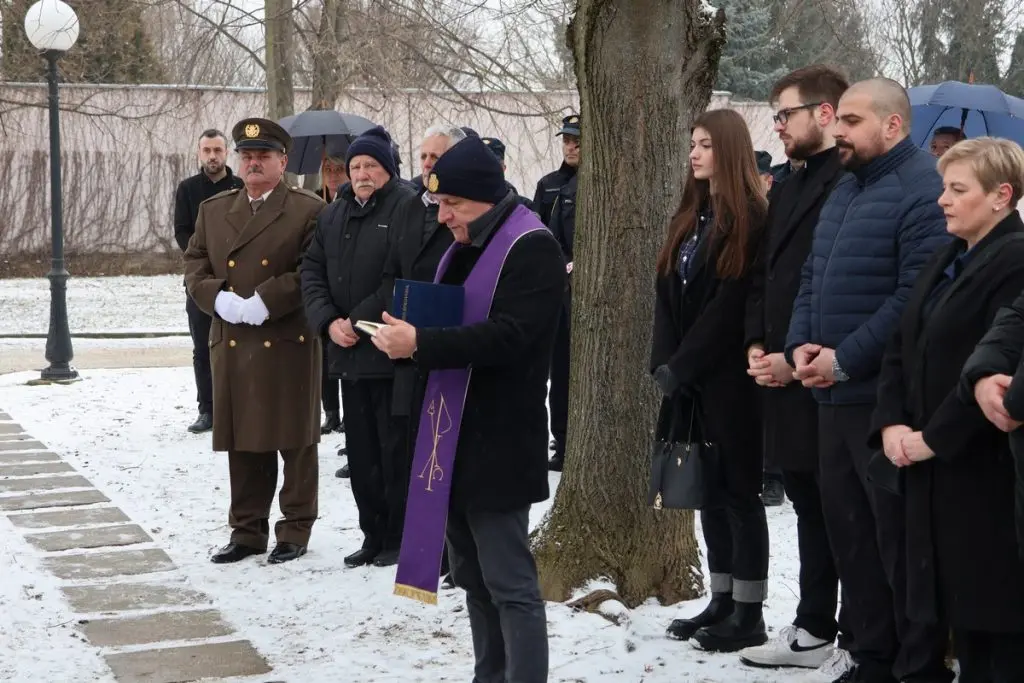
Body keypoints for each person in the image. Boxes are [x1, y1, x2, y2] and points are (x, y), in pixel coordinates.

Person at [371, 135, 564, 683]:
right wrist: (406, 332)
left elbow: (512, 337)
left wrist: (422, 344)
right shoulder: (463, 243)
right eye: (438, 204)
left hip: (498, 439)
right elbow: (451, 319)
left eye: (451, 204)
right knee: (472, 579)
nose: (443, 215)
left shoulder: (531, 245)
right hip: (448, 436)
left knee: (510, 583)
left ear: (483, 197)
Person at [785, 78, 952, 683]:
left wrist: (845, 357)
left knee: (894, 543)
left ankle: (915, 666)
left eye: (851, 121)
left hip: (883, 402)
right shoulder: (845, 189)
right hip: (830, 396)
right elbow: (812, 275)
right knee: (850, 536)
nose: (837, 131)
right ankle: (872, 656)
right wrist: (799, 343)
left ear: (893, 126)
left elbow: (914, 297)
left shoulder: (921, 190)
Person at [870, 137, 1024, 683]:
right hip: (923, 461)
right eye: (943, 187)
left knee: (990, 621)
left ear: (1001, 196)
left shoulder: (1014, 260)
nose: (943, 201)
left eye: (958, 190)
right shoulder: (949, 253)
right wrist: (890, 422)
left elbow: (995, 368)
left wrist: (932, 439)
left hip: (979, 467)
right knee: (939, 605)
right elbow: (900, 342)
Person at [741, 66, 854, 679]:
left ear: (826, 113)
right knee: (809, 502)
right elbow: (767, 270)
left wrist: (798, 354)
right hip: (781, 365)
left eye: (786, 114)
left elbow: (839, 282)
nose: (778, 125)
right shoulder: (786, 183)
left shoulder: (846, 182)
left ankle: (849, 630)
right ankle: (813, 622)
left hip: (823, 369)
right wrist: (759, 341)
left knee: (839, 508)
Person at [651, 109, 770, 652]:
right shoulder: (693, 214)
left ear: (729, 149)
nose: (695, 153)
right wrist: (663, 362)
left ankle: (749, 611)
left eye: (704, 144)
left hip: (729, 379)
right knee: (710, 494)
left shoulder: (749, 215)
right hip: (688, 378)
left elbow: (730, 305)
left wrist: (686, 364)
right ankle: (721, 600)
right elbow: (666, 293)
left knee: (739, 494)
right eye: (692, 144)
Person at [183, 117, 324, 565]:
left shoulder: (308, 209)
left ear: (283, 162)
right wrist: (218, 300)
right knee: (242, 437)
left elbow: (311, 271)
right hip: (233, 336)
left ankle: (295, 529)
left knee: (294, 438)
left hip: (284, 335)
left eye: (264, 156)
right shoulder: (214, 209)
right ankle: (246, 531)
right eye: (247, 156)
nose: (254, 163)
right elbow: (195, 264)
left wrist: (265, 301)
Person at [300, 126, 417, 568]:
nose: (362, 173)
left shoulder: (406, 206)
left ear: (387, 169)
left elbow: (401, 275)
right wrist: (327, 321)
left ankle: (398, 537)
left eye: (370, 165)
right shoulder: (334, 213)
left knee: (393, 450)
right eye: (355, 166)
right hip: (347, 352)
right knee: (362, 452)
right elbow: (311, 270)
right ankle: (372, 533)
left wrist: (358, 320)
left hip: (387, 352)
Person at [173, 129, 244, 434]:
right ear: (199, 153)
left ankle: (238, 408)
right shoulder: (187, 189)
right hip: (201, 283)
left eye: (217, 150)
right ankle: (208, 410)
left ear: (226, 152)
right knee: (203, 348)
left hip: (239, 281)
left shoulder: (241, 187)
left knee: (239, 348)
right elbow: (182, 232)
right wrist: (205, 263)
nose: (212, 156)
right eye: (207, 150)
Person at [315, 143, 349, 436]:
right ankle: (331, 412)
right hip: (325, 292)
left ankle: (349, 415)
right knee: (325, 357)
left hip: (347, 290)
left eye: (339, 170)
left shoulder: (351, 205)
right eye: (328, 170)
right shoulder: (318, 205)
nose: (334, 176)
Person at [533, 114, 580, 226]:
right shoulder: (547, 184)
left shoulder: (599, 183)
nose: (570, 147)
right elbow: (536, 227)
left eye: (577, 142)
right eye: (566, 141)